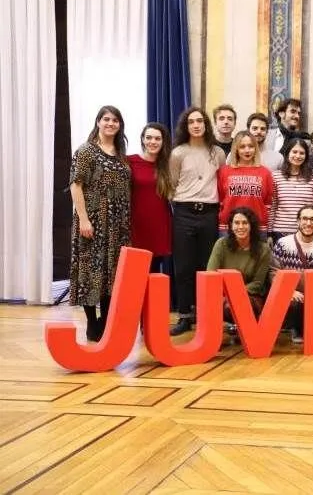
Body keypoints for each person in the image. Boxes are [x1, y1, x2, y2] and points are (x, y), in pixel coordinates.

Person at [69, 105, 132, 342]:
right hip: (93, 222)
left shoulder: (121, 153)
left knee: (112, 274)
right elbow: (76, 185)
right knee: (90, 271)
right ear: (98, 122)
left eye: (115, 120)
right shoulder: (86, 151)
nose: (110, 123)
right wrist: (84, 219)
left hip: (118, 225)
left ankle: (106, 322)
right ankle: (91, 323)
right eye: (106, 119)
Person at [169, 107, 227, 336]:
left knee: (207, 267)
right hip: (183, 212)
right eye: (191, 121)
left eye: (200, 121)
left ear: (206, 125)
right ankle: (184, 315)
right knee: (183, 267)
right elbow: (171, 185)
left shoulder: (217, 153)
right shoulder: (178, 153)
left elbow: (223, 183)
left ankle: (205, 314)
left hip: (209, 214)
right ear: (186, 126)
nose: (196, 125)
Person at [270, 205, 313, 344]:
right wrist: (289, 291)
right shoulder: (283, 244)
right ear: (298, 221)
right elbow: (273, 273)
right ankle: (296, 327)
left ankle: (312, 323)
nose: (308, 223)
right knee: (294, 304)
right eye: (305, 219)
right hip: (294, 297)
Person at [208, 207, 273, 346]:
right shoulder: (221, 244)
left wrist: (235, 296)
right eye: (236, 223)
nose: (240, 227)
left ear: (252, 225)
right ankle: (211, 340)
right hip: (223, 295)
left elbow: (257, 283)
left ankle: (247, 328)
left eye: (245, 223)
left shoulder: (263, 249)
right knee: (215, 302)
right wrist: (226, 296)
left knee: (234, 305)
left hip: (250, 297)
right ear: (230, 226)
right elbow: (210, 275)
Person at [129, 122, 173, 275]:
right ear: (142, 139)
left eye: (157, 138)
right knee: (135, 274)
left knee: (153, 273)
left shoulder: (168, 165)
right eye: (149, 137)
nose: (153, 142)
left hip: (159, 226)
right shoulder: (130, 161)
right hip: (136, 226)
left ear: (163, 141)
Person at [217, 131, 274, 237]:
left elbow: (268, 204)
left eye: (251, 146)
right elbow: (220, 201)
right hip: (228, 227)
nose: (247, 150)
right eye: (242, 147)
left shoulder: (265, 173)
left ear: (255, 148)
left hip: (257, 228)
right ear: (236, 149)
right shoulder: (224, 172)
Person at [271, 139, 313, 240]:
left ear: (306, 156)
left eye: (302, 153)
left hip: (307, 231)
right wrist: (269, 233)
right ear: (288, 153)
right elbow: (272, 206)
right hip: (280, 232)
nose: (297, 156)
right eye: (294, 152)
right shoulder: (276, 176)